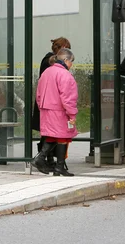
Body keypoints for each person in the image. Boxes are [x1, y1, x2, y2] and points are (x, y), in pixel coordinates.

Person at [32, 48, 78, 176]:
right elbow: (68, 97)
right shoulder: (65, 75)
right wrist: (72, 114)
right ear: (65, 60)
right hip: (59, 110)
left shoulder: (47, 71)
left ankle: (41, 159)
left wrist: (42, 106)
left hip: (46, 109)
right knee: (63, 136)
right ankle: (58, 166)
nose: (71, 64)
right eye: (71, 61)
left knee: (53, 135)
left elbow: (38, 93)